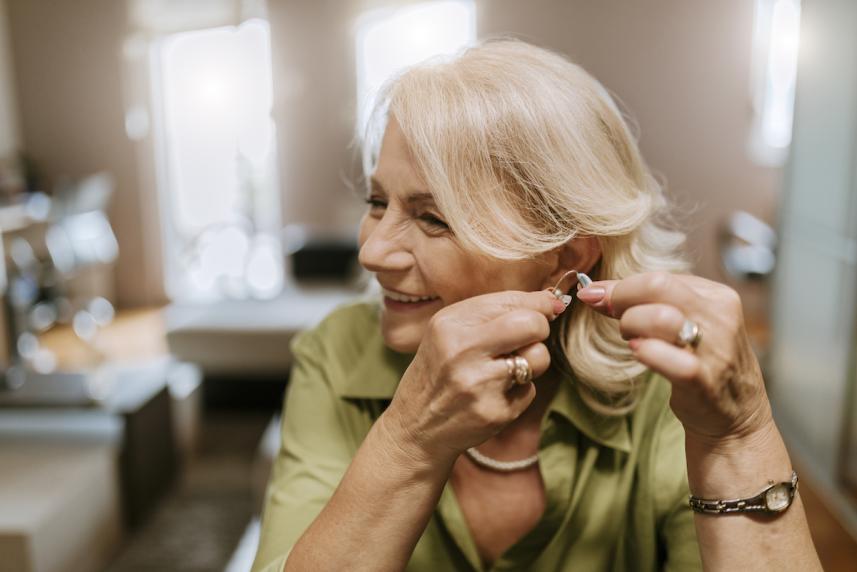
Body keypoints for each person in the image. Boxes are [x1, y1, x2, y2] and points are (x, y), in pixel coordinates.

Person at [252, 39, 821, 571]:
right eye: (377, 202)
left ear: (564, 259)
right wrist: (409, 437)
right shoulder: (336, 352)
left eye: (433, 218)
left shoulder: (663, 387)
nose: (373, 251)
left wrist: (738, 437)